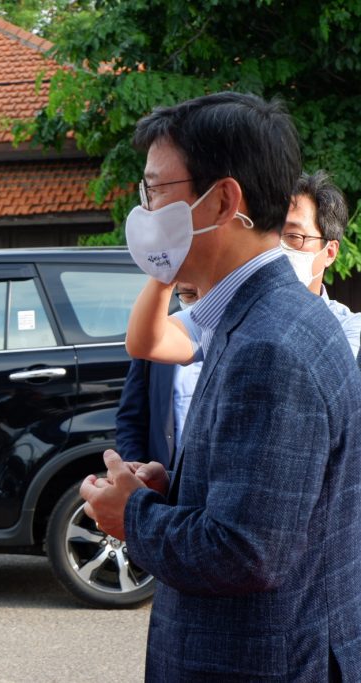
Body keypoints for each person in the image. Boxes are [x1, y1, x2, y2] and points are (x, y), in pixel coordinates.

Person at [81, 92, 361, 680]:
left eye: (156, 192)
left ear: (224, 199)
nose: (146, 209)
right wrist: (172, 494)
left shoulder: (269, 344)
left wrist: (131, 515)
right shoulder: (268, 318)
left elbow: (247, 550)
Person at [115, 284, 201, 469]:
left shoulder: (244, 338)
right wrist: (137, 470)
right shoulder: (157, 341)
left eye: (209, 292)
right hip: (166, 480)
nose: (200, 303)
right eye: (189, 295)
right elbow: (131, 418)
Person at [282, 170, 361, 358]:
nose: (278, 248)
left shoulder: (349, 328)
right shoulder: (232, 315)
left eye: (294, 236)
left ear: (330, 252)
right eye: (270, 235)